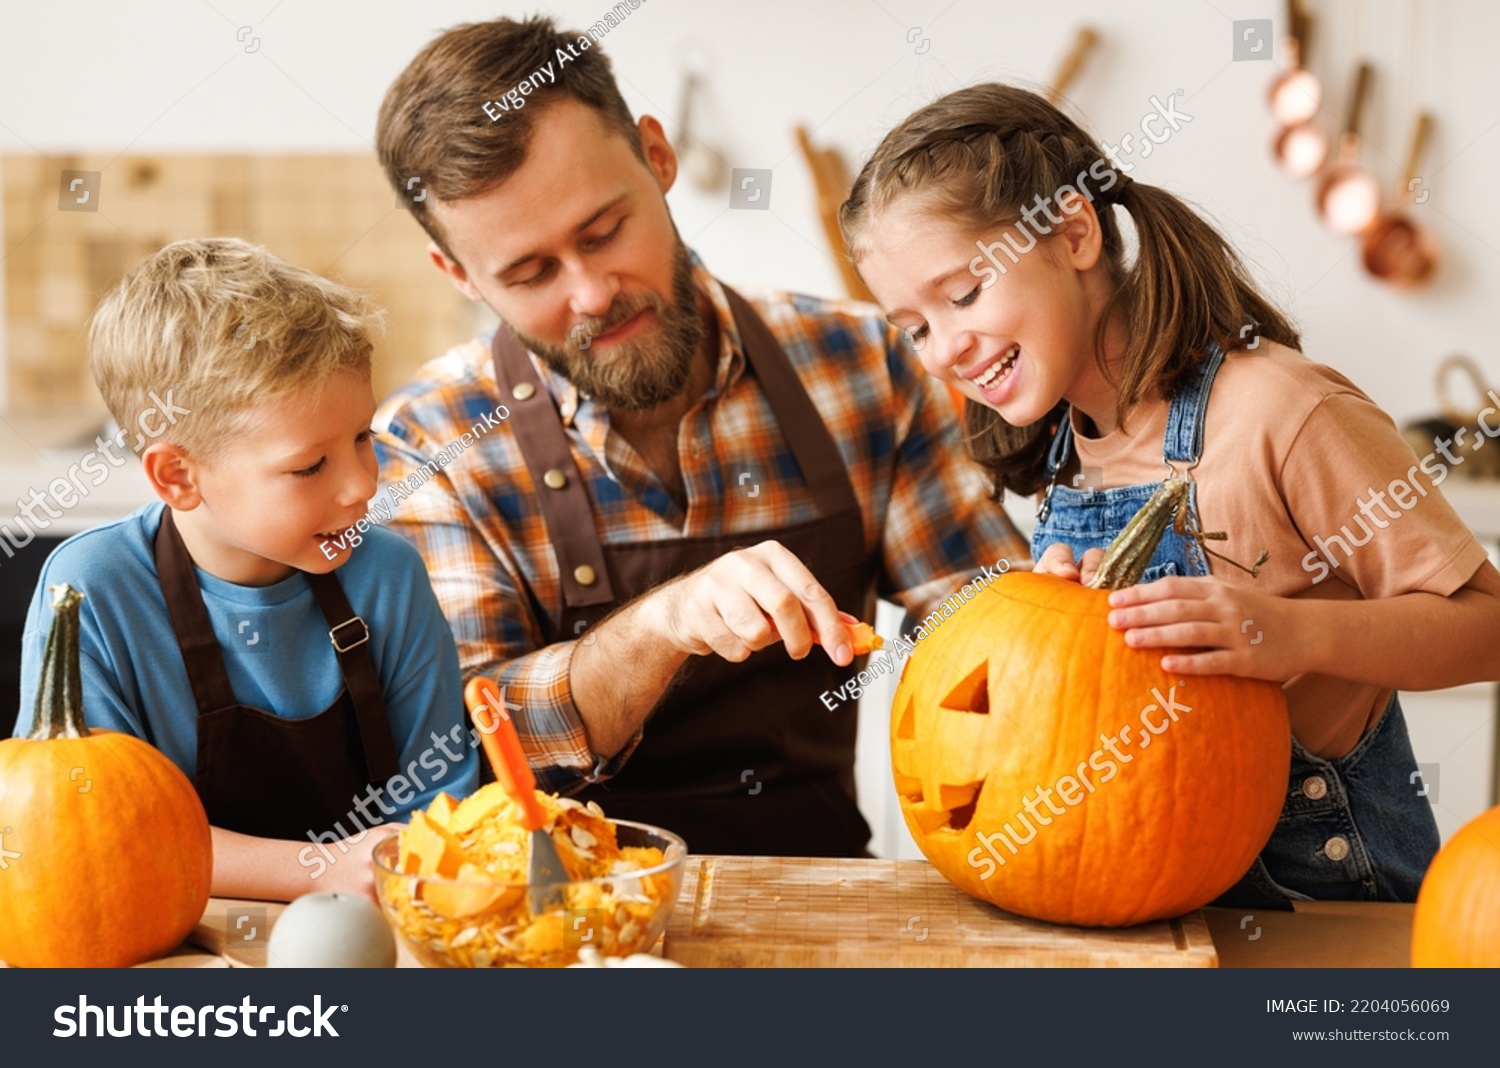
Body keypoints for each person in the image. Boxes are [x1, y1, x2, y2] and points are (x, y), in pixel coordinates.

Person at [371, 17, 1026, 856]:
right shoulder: (433, 443)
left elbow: (989, 634)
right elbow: (468, 747)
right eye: (530, 274)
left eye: (605, 231)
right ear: (459, 274)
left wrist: (1052, 610)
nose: (592, 294)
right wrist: (660, 627)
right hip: (565, 930)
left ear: (657, 155)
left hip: (818, 903)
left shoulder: (865, 367)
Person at [841, 83, 1500, 905]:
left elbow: (1486, 625)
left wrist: (1293, 632)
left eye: (965, 294)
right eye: (915, 328)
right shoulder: (1062, 444)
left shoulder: (1280, 411)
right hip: (1155, 904)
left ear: (1075, 233)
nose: (945, 349)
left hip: (1325, 913)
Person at [15, 238, 478, 902]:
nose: (360, 486)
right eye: (309, 466)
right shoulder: (91, 592)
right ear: (178, 475)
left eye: (362, 438)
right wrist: (318, 870)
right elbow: (96, 836)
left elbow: (441, 798)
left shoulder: (388, 577)